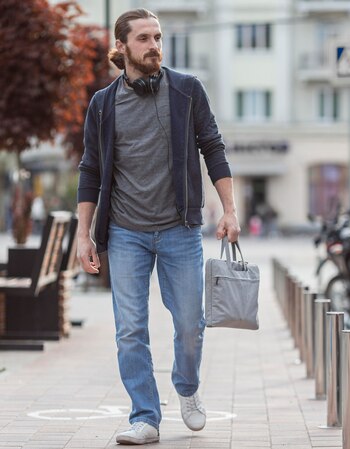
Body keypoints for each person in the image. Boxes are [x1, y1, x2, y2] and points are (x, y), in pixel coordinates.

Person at [76, 8, 240, 445]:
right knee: (130, 328)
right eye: (144, 38)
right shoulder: (103, 104)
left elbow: (213, 148)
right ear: (122, 46)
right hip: (126, 232)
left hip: (179, 228)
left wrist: (229, 209)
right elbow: (90, 169)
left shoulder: (187, 91)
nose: (154, 46)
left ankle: (187, 390)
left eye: (158, 37)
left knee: (190, 322)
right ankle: (144, 416)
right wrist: (83, 232)